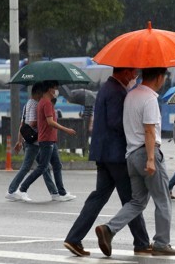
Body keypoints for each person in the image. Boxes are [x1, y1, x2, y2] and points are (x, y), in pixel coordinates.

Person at [95, 67, 175, 257]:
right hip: (146, 153)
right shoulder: (150, 98)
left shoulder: (131, 95)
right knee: (163, 199)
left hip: (131, 156)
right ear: (159, 77)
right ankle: (161, 243)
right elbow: (149, 130)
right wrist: (151, 159)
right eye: (164, 77)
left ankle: (109, 229)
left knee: (137, 201)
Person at [64, 68, 151, 257]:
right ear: (124, 72)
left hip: (103, 153)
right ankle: (141, 242)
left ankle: (73, 238)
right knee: (132, 199)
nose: (134, 76)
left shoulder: (106, 88)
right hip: (116, 155)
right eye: (133, 73)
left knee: (98, 197)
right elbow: (115, 122)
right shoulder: (116, 92)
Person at [18, 80, 77, 202]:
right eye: (55, 88)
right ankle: (22, 189)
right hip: (47, 140)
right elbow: (50, 122)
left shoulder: (43, 102)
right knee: (42, 167)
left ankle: (61, 193)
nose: (56, 91)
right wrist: (67, 130)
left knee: (57, 165)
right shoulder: (47, 104)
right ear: (50, 89)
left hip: (50, 139)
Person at [6, 82, 59, 201]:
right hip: (34, 141)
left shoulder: (27, 104)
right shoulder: (35, 104)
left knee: (44, 167)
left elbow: (22, 124)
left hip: (32, 140)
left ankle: (54, 192)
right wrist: (43, 121)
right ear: (39, 93)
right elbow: (31, 123)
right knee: (29, 167)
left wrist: (20, 140)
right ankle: (12, 190)